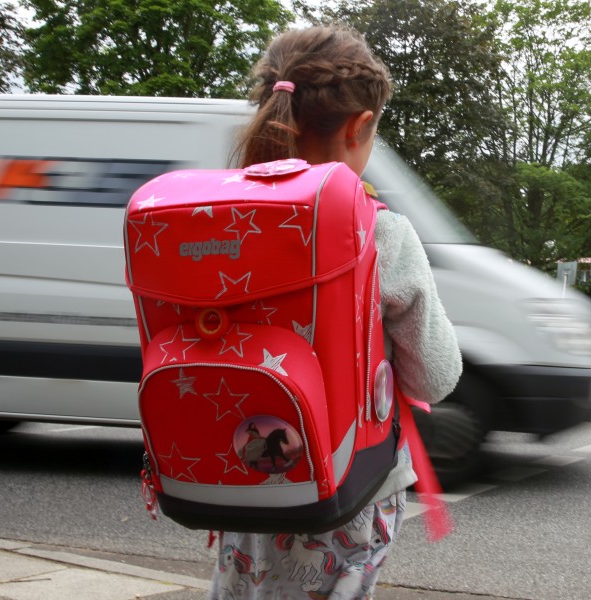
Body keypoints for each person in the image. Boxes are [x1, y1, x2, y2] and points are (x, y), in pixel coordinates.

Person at [211, 25, 462, 599]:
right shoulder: (381, 232)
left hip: (240, 468)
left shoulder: (216, 221)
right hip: (346, 482)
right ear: (360, 126)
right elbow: (435, 376)